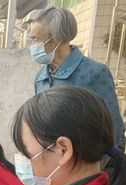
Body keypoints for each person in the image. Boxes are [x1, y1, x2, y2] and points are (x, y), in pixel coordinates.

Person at [30, 7, 125, 149]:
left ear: (56, 40)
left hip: (86, 159)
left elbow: (112, 126)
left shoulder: (94, 73)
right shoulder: (41, 78)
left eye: (35, 39)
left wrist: (104, 161)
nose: (32, 46)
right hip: (51, 158)